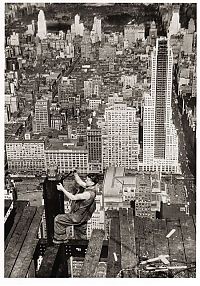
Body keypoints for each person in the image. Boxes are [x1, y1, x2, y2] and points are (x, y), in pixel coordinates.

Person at [53, 170, 99, 244]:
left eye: (87, 180)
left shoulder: (88, 194)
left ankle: (60, 239)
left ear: (92, 182)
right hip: (84, 217)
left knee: (58, 219)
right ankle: (81, 247)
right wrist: (75, 173)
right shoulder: (92, 187)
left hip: (77, 217)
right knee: (80, 235)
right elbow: (80, 182)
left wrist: (62, 189)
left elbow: (73, 197)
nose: (85, 180)